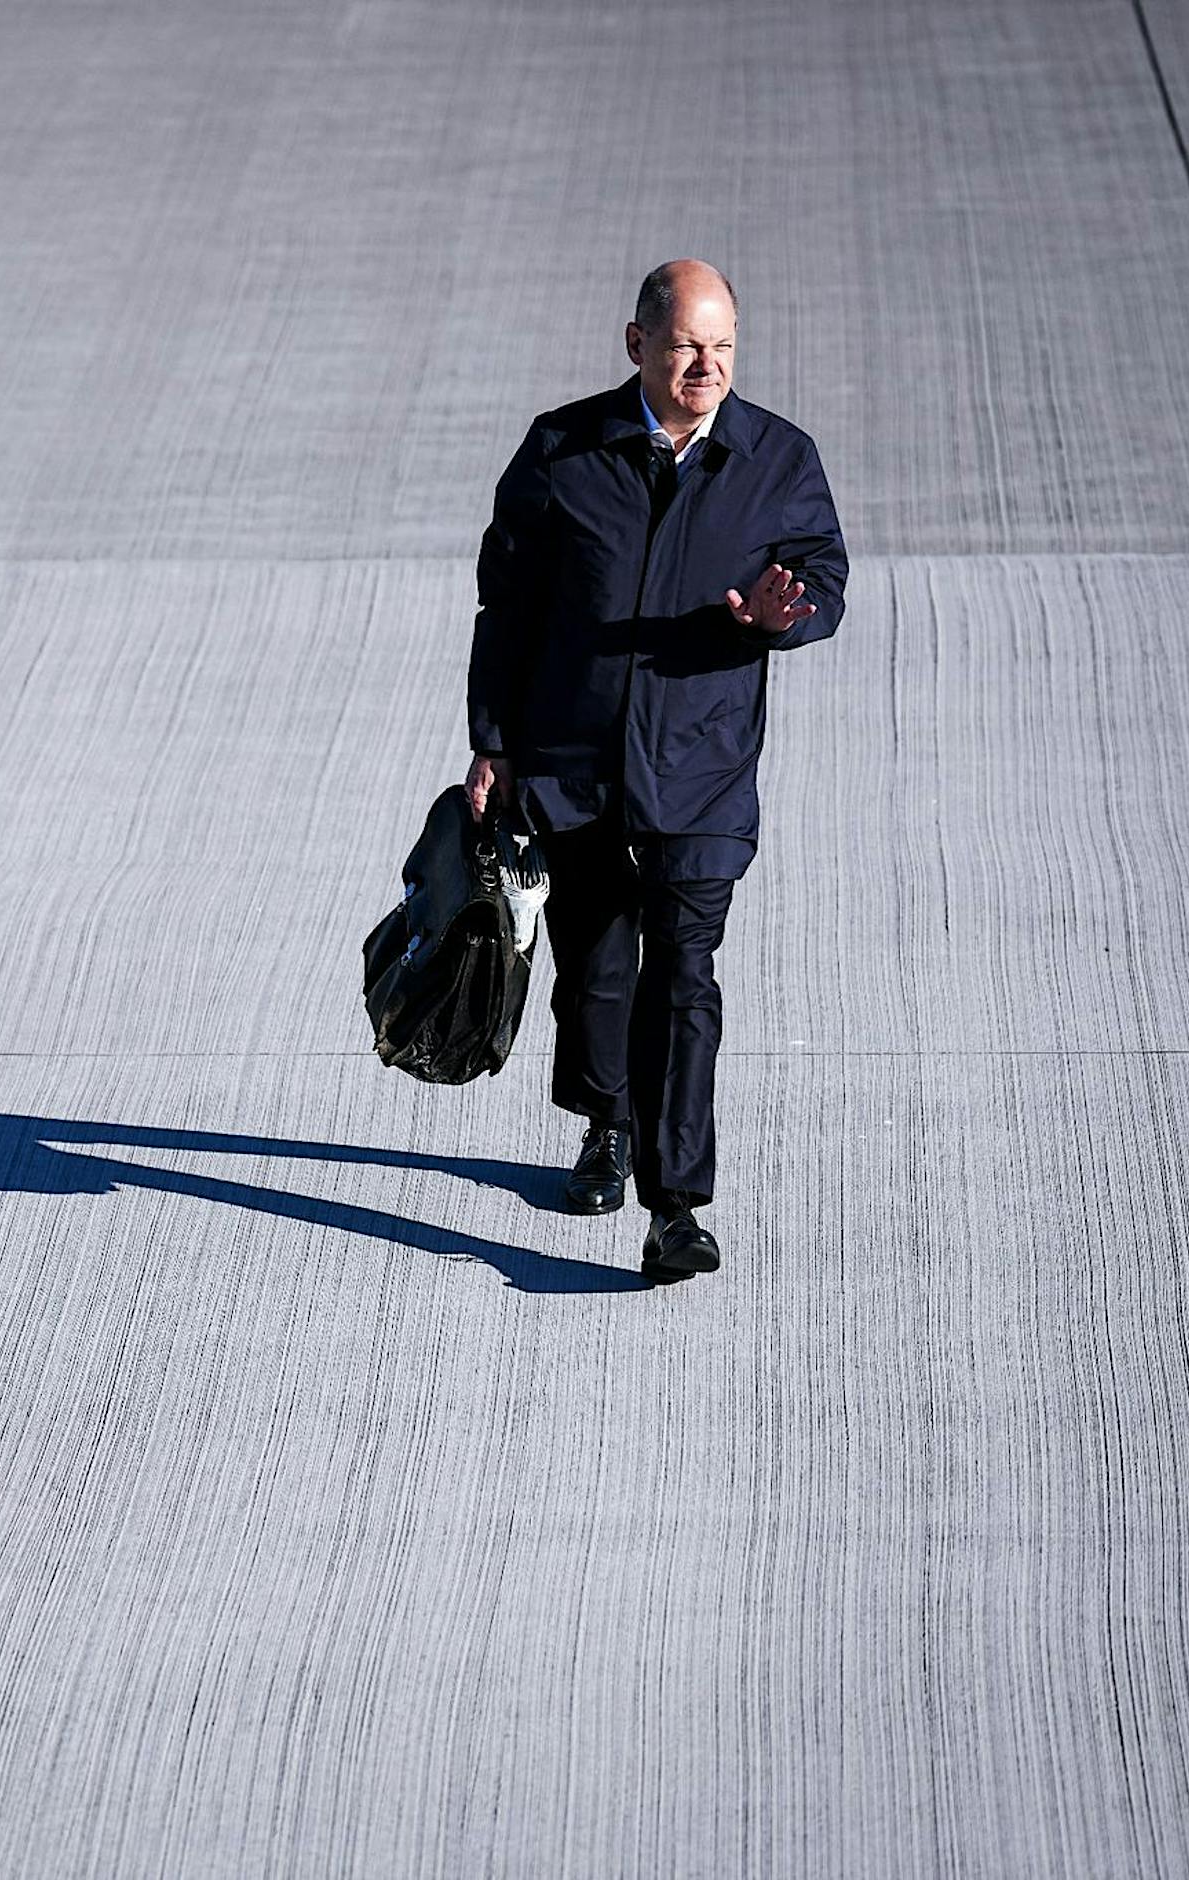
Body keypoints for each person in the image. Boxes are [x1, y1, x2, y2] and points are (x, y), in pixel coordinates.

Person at [464, 259, 848, 1282]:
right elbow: (505, 603)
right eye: (684, 345)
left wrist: (787, 611)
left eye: (721, 348)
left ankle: (674, 1207)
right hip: (572, 761)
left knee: (682, 978)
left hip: (700, 766)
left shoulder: (775, 458)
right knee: (592, 971)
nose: (705, 366)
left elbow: (822, 573)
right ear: (635, 343)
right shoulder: (561, 449)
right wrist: (492, 740)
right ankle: (605, 1119)